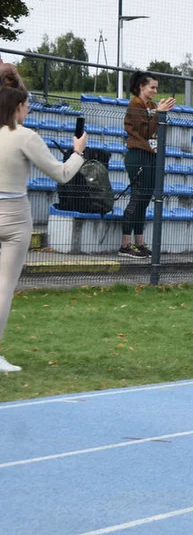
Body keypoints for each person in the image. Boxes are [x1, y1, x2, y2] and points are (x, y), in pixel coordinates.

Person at [0, 86, 87, 372]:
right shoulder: (26, 136)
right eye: (26, 105)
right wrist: (77, 152)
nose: (28, 109)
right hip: (14, 215)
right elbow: (61, 174)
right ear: (18, 108)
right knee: (4, 287)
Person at [121, 72, 174, 259]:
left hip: (151, 155)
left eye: (156, 87)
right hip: (138, 155)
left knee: (145, 199)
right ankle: (125, 244)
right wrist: (159, 114)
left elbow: (156, 131)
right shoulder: (135, 104)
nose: (155, 91)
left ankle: (139, 243)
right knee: (138, 197)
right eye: (152, 87)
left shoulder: (151, 105)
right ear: (141, 87)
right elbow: (145, 132)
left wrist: (161, 114)